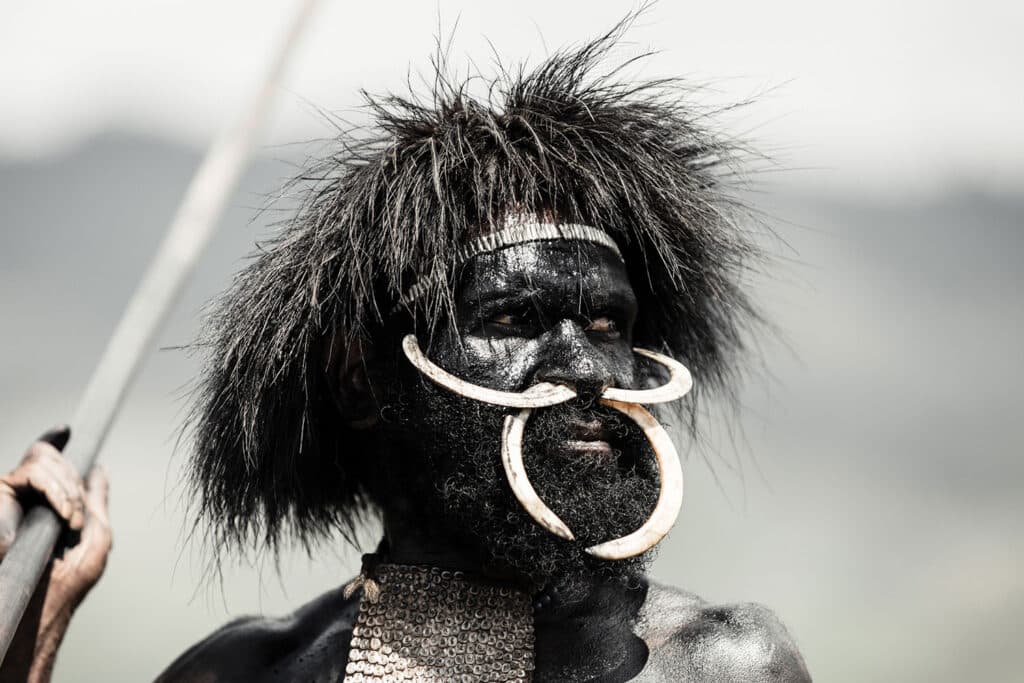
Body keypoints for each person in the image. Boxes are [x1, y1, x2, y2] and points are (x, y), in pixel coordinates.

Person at [0, 25, 811, 682]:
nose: (588, 367)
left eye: (608, 324)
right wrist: (34, 630)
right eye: (516, 316)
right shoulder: (250, 672)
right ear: (362, 380)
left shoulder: (719, 665)